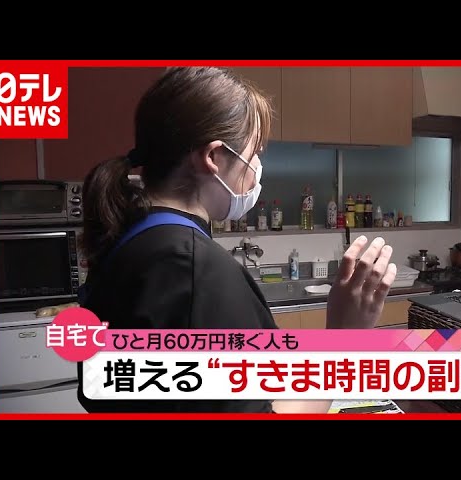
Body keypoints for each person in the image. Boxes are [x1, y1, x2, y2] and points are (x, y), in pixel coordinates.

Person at [77, 66, 397, 414]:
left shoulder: (128, 240)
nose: (256, 166)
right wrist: (344, 339)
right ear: (213, 157)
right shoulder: (194, 267)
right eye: (254, 151)